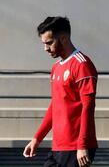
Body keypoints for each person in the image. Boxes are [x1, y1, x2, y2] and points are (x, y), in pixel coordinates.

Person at [23, 17, 98, 167]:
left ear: (63, 38)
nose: (46, 48)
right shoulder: (56, 68)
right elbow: (55, 106)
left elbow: (87, 108)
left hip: (76, 147)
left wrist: (82, 145)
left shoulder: (82, 65)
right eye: (44, 43)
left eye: (49, 43)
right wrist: (37, 138)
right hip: (58, 146)